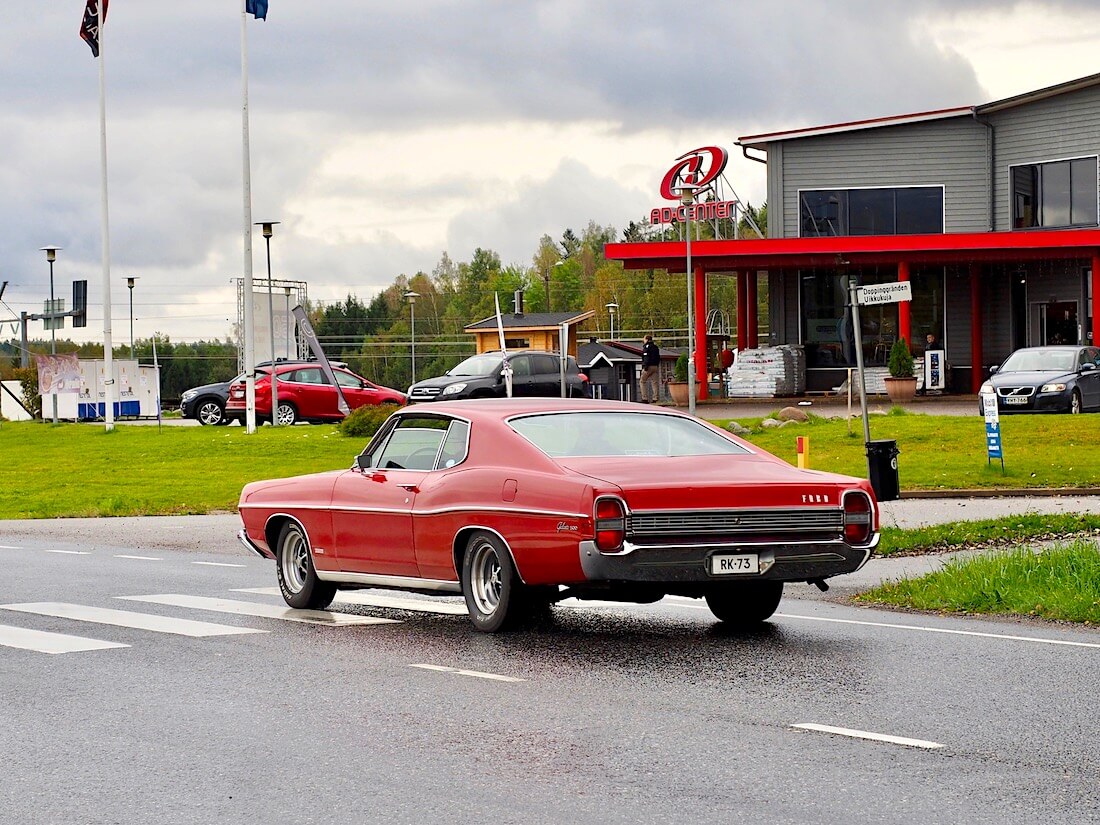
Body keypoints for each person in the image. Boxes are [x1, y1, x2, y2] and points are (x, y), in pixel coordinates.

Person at [640, 335, 660, 403]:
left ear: (647, 339)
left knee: (642, 381)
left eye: (644, 339)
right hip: (655, 366)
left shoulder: (646, 347)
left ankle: (644, 398)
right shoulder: (655, 347)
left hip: (648, 366)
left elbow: (646, 357)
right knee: (654, 382)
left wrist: (645, 366)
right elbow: (658, 357)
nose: (643, 341)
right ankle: (655, 398)